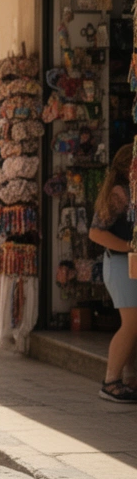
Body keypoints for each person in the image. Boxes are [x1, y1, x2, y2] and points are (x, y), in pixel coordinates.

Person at [88, 144, 137, 403]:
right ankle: (110, 382)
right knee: (131, 324)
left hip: (127, 266)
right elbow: (96, 232)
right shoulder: (119, 192)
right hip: (120, 265)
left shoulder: (129, 190)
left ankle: (128, 379)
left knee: (132, 325)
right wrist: (129, 247)